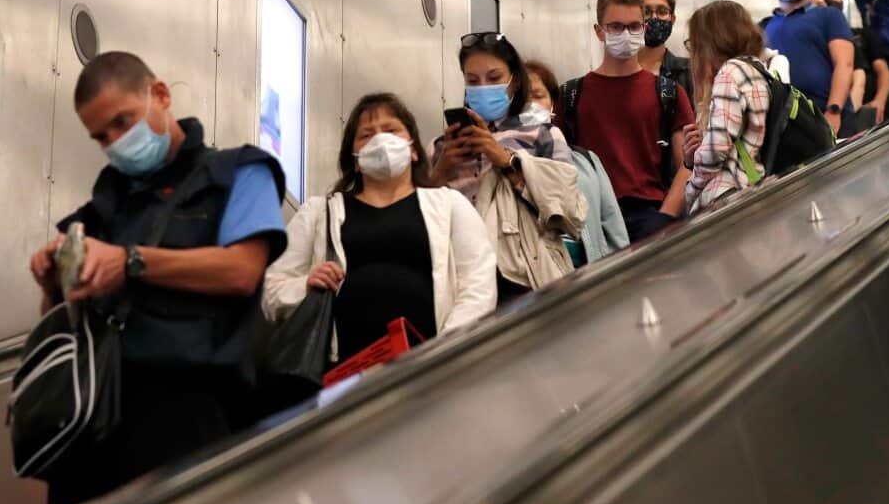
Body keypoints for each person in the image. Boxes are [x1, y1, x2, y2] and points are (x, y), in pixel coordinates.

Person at [28, 52, 288, 504]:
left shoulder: (239, 173)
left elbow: (241, 271)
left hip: (187, 410)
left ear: (160, 95)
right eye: (101, 136)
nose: (115, 142)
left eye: (122, 122)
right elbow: (63, 320)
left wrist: (131, 261)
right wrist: (53, 284)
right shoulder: (101, 208)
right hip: (95, 416)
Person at [263, 93, 496, 364]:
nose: (380, 140)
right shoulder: (319, 213)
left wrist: (442, 352)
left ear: (414, 150)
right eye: (366, 135)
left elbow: (478, 286)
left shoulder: (450, 205)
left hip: (431, 370)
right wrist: (305, 285)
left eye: (391, 130)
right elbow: (271, 292)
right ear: (354, 159)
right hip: (341, 372)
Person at [430, 33, 585, 302]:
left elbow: (570, 210)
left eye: (494, 78)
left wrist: (505, 160)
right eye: (473, 80)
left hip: (523, 273)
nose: (483, 87)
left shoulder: (543, 134)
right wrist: (442, 169)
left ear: (515, 82)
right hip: (461, 276)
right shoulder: (443, 145)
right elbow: (421, 212)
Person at [556, 0, 696, 242]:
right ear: (599, 31)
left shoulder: (668, 93)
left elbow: (686, 167)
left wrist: (663, 218)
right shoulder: (571, 94)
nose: (625, 34)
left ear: (643, 28)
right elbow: (558, 163)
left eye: (633, 27)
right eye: (616, 27)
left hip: (648, 216)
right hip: (590, 219)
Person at [526, 60, 629, 265]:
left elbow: (614, 229)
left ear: (552, 104)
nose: (530, 105)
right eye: (521, 98)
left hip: (590, 273)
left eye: (538, 96)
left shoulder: (586, 161)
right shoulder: (504, 164)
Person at [682, 1, 771, 216]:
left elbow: (717, 149)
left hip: (729, 194)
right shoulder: (757, 69)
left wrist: (691, 189)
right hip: (752, 186)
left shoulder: (730, 72)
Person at [761, 0, 855, 137]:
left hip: (826, 113)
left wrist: (834, 110)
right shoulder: (764, 26)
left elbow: (844, 64)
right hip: (784, 121)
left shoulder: (829, 15)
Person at [811, 0, 889, 129]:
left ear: (842, 0)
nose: (825, 0)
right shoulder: (810, 42)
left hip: (855, 112)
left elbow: (864, 75)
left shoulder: (858, 36)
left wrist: (879, 101)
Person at [635, 0, 695, 100]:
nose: (654, 17)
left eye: (662, 11)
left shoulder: (690, 72)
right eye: (646, 12)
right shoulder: (620, 71)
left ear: (672, 19)